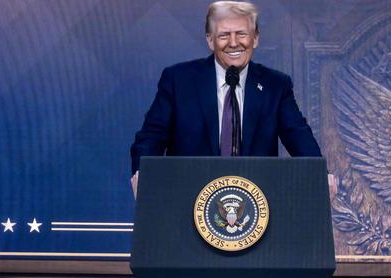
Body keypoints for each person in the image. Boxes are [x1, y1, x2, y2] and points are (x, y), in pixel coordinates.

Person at [130, 1, 327, 194]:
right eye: (224, 35)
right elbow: (151, 137)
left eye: (242, 34)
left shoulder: (275, 85)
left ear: (255, 39)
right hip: (188, 197)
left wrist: (320, 174)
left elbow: (299, 137)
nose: (233, 43)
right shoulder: (178, 80)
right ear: (210, 40)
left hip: (256, 202)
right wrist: (143, 172)